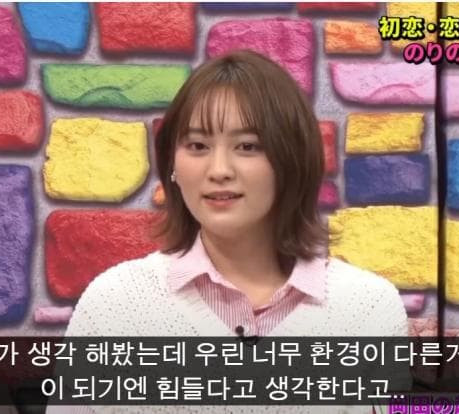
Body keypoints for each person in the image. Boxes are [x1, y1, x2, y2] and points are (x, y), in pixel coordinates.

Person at [48, 50, 409, 414]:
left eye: (247, 146)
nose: (219, 169)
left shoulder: (368, 308)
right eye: (197, 146)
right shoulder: (116, 304)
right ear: (172, 164)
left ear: (292, 160)